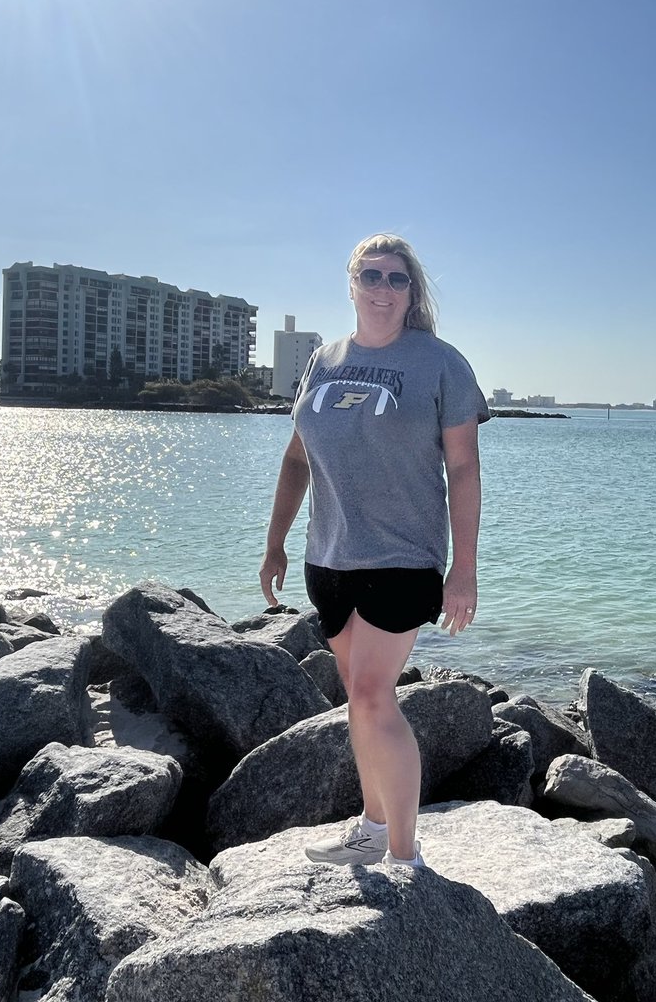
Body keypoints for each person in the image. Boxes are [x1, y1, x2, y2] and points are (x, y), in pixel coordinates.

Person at [259, 233, 488, 868]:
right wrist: (274, 542)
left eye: (396, 278)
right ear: (351, 283)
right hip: (327, 555)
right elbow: (297, 457)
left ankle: (403, 853)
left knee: (371, 695)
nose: (383, 288)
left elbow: (464, 470)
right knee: (357, 698)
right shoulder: (324, 360)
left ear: (412, 292)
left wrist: (463, 570)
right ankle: (370, 824)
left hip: (403, 557)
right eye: (371, 275)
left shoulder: (441, 363)